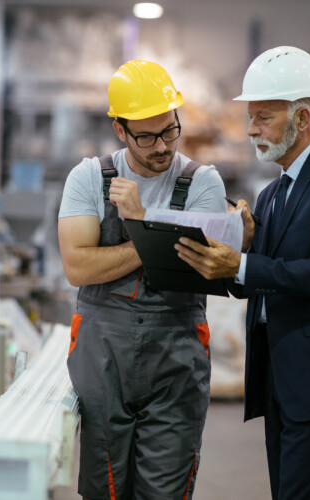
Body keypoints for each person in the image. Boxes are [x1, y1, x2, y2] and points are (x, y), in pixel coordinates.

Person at [175, 46, 310, 499]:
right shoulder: (272, 194)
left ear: (303, 119)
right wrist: (239, 247)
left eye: (263, 117)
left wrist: (246, 263)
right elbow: (264, 276)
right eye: (251, 117)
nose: (251, 129)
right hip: (280, 379)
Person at [58, 60, 227, 499]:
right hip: (103, 361)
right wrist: (155, 239)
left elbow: (204, 264)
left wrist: (140, 218)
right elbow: (77, 266)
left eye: (170, 131)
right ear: (120, 130)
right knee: (104, 488)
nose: (162, 147)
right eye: (147, 136)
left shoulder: (203, 182)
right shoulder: (89, 178)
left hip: (176, 361)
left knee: (165, 492)